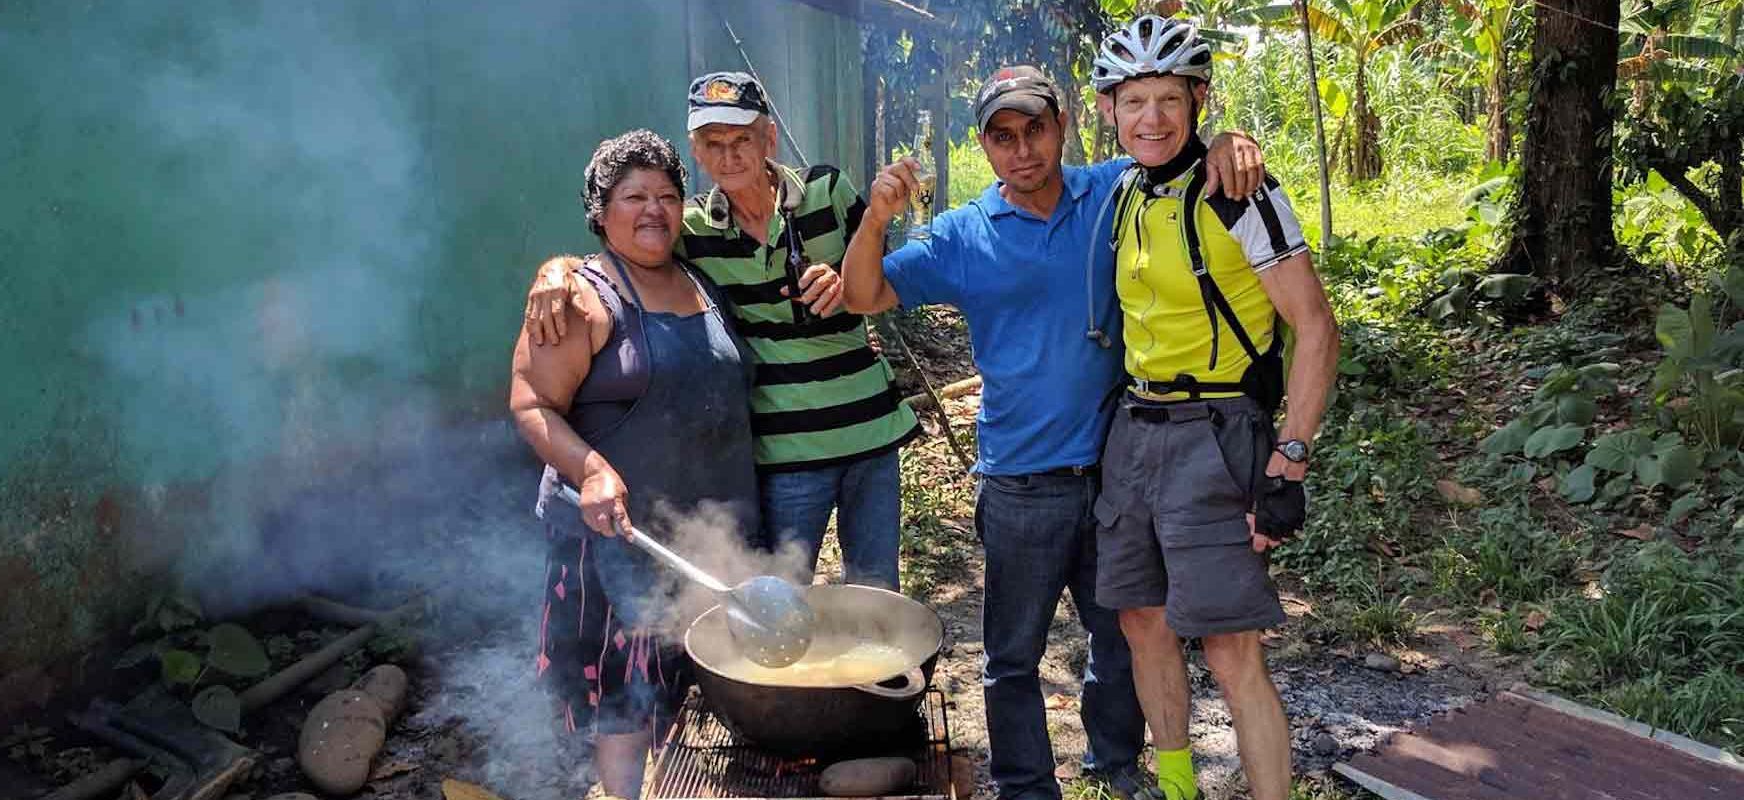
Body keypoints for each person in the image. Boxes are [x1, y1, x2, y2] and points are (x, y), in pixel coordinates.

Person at [839, 66, 1266, 800]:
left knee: (1127, 635)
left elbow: (1168, 145)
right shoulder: (962, 236)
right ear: (985, 146)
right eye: (1002, 137)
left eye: (1034, 128)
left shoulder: (1111, 191)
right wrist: (875, 219)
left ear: (1062, 124)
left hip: (1118, 471)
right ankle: (1026, 786)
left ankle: (1113, 765)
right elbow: (862, 293)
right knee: (1011, 656)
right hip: (1019, 484)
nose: (1022, 150)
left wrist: (1229, 140)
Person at [527, 71, 920, 590]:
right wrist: (554, 270)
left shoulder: (829, 190)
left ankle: (877, 676)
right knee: (782, 600)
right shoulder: (688, 227)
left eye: (742, 140)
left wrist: (848, 282)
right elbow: (617, 248)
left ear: (769, 139)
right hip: (785, 450)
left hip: (871, 430)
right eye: (714, 144)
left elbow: (879, 285)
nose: (729, 156)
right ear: (697, 151)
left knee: (878, 593)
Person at [1088, 16, 1341, 800]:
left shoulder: (1239, 190)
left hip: (1217, 432)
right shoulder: (1124, 191)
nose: (1152, 118)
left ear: (1199, 100)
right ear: (1108, 110)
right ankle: (1177, 788)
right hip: (1135, 432)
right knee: (1143, 624)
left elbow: (1316, 325)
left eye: (1170, 98)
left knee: (1231, 648)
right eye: (1135, 100)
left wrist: (1289, 459)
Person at [509, 129, 758, 800]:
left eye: (668, 196)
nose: (654, 210)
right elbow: (531, 403)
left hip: (705, 537)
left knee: (692, 688)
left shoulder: (702, 282)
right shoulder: (578, 297)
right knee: (622, 698)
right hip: (616, 538)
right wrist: (589, 469)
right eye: (634, 196)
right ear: (600, 209)